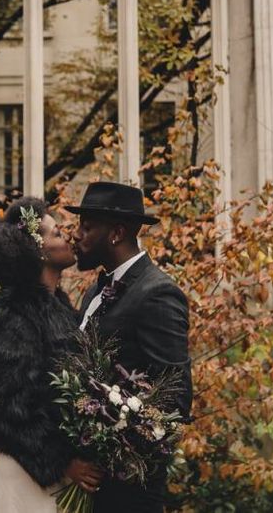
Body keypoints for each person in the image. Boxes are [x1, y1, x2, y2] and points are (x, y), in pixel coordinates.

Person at [66, 181, 192, 513]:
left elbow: (174, 396)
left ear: (117, 233)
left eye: (87, 226)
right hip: (90, 483)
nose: (76, 235)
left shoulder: (158, 293)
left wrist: (111, 438)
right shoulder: (94, 291)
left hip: (131, 488)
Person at [0, 196, 103, 512]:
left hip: (48, 471)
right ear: (37, 250)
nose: (69, 237)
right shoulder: (15, 312)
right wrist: (62, 463)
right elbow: (0, 408)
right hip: (27, 471)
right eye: (57, 233)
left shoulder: (59, 306)